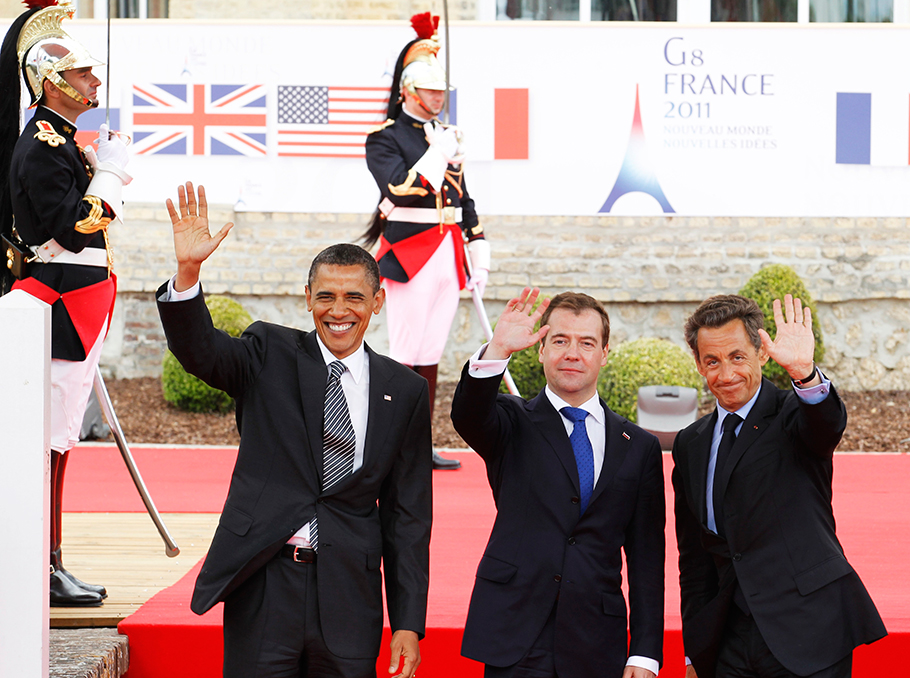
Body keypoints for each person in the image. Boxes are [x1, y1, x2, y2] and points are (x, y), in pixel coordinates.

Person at [157, 182, 432, 678]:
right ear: (307, 299)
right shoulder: (269, 352)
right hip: (266, 581)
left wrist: (409, 620)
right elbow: (201, 351)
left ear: (378, 301)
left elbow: (407, 516)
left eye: (354, 296)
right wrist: (188, 273)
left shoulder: (406, 390)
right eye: (325, 295)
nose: (339, 309)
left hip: (351, 589)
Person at [451, 288, 665, 678]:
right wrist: (498, 349)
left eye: (586, 343)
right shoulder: (510, 422)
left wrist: (645, 653)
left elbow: (647, 558)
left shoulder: (639, 447)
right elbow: (468, 414)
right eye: (560, 340)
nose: (572, 353)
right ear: (541, 350)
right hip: (515, 636)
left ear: (604, 355)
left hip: (596, 639)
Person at [672, 293, 886, 678]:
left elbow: (826, 426)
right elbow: (695, 558)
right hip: (730, 641)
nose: (726, 373)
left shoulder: (792, 413)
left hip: (810, 633)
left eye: (737, 356)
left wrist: (805, 374)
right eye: (712, 361)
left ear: (762, 354)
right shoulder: (690, 443)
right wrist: (694, 651)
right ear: (698, 364)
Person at [0, 0, 130, 607]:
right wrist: (112, 177)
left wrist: (100, 166)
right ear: (52, 83)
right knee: (45, 447)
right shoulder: (44, 147)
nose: (94, 83)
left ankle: (48, 561)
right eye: (83, 75)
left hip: (76, 306)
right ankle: (38, 564)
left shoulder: (60, 142)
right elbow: (73, 225)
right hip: (59, 307)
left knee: (57, 445)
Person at [363, 13, 490, 470]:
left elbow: (463, 199)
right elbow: (399, 188)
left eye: (442, 92)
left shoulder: (445, 136)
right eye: (430, 91)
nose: (438, 99)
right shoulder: (384, 138)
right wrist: (437, 153)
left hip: (447, 252)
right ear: (408, 91)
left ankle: (420, 442)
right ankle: (393, 444)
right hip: (409, 252)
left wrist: (478, 250)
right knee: (405, 348)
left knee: (432, 351)